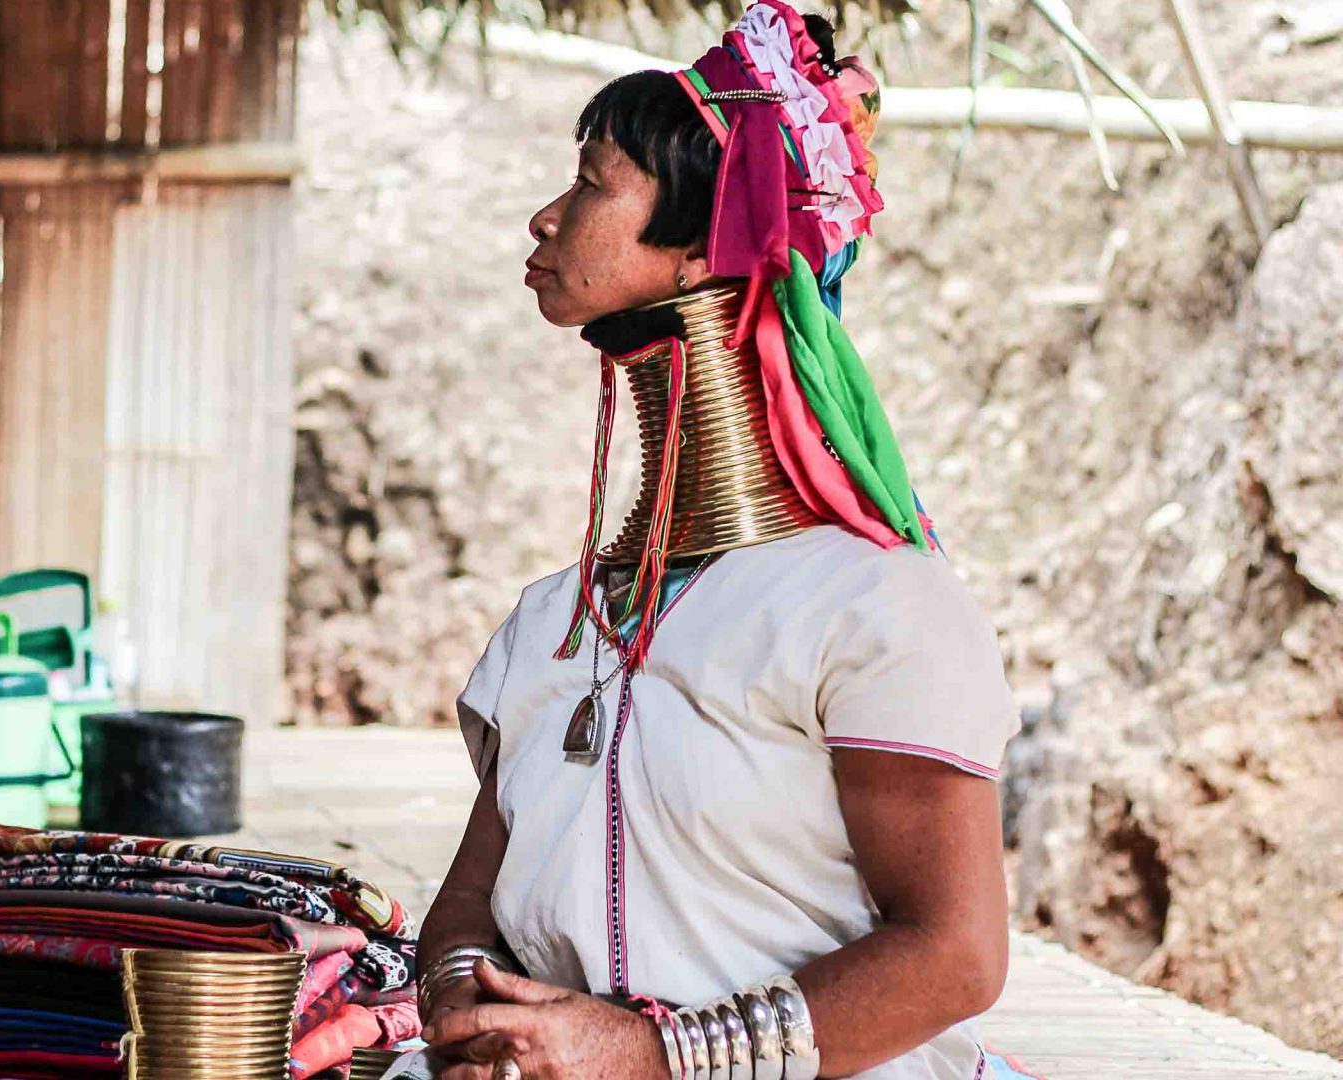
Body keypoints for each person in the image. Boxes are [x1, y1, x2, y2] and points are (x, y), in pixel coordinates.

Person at [408, 4, 1020, 1079]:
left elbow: (956, 958)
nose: (546, 217)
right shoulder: (555, 623)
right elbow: (466, 915)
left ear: (701, 252)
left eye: (593, 183)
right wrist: (477, 1018)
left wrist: (649, 1056)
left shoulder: (877, 611)